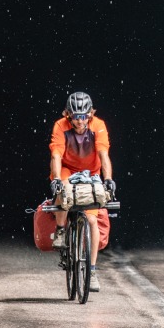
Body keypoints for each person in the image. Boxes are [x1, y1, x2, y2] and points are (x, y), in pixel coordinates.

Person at [49, 91, 116, 275]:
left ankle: (92, 270)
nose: (80, 121)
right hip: (67, 168)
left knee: (92, 220)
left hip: (91, 172)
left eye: (84, 116)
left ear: (90, 114)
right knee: (64, 192)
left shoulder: (98, 126)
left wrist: (108, 179)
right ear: (68, 114)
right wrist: (56, 180)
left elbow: (103, 154)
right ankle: (61, 230)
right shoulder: (60, 126)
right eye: (76, 116)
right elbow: (56, 155)